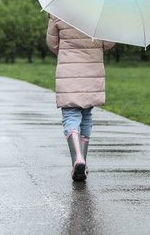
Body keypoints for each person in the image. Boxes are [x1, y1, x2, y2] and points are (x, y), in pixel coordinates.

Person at [46, 14, 115, 181]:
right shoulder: (100, 14)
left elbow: (53, 44)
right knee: (86, 115)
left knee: (70, 115)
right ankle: (82, 161)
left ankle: (78, 159)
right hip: (92, 71)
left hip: (68, 71)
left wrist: (67, 52)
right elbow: (108, 43)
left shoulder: (58, 12)